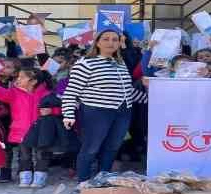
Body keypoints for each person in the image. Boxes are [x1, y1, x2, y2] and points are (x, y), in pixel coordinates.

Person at [62, 29, 147, 184]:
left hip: (123, 111)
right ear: (98, 42)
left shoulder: (120, 63)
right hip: (97, 112)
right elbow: (71, 92)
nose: (111, 42)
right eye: (106, 39)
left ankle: (103, 180)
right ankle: (84, 183)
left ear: (119, 43)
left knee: (112, 147)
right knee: (91, 148)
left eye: (115, 39)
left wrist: (152, 99)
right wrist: (68, 114)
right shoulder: (85, 63)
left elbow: (127, 90)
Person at [0, 67, 51, 188]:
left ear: (33, 81)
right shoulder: (14, 92)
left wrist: (52, 110)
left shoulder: (46, 94)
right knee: (24, 154)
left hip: (41, 130)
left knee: (41, 154)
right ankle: (25, 176)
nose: (18, 79)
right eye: (18, 77)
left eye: (22, 77)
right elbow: (0, 93)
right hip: (22, 130)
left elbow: (58, 106)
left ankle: (40, 176)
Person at [20, 93, 68, 188]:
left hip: (46, 143)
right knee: (26, 154)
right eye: (41, 108)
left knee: (41, 155)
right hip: (37, 139)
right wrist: (27, 139)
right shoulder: (40, 119)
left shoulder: (55, 120)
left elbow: (62, 134)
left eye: (45, 108)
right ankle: (27, 176)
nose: (43, 110)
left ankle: (39, 177)